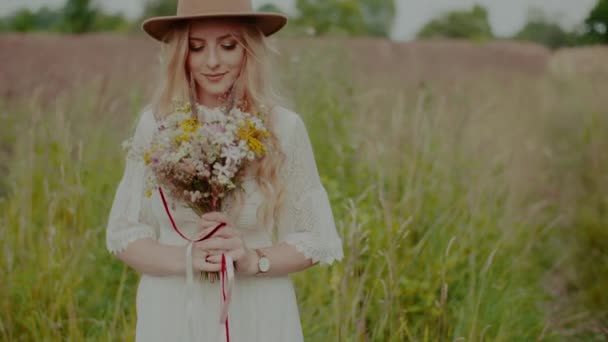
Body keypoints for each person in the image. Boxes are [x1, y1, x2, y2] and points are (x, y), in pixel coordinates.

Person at [105, 0, 344, 341]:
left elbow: (314, 238)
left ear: (248, 50)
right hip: (175, 308)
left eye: (228, 45)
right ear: (181, 55)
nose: (213, 61)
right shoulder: (156, 127)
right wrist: (187, 257)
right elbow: (125, 234)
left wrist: (252, 260)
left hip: (258, 308)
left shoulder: (283, 127)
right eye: (197, 48)